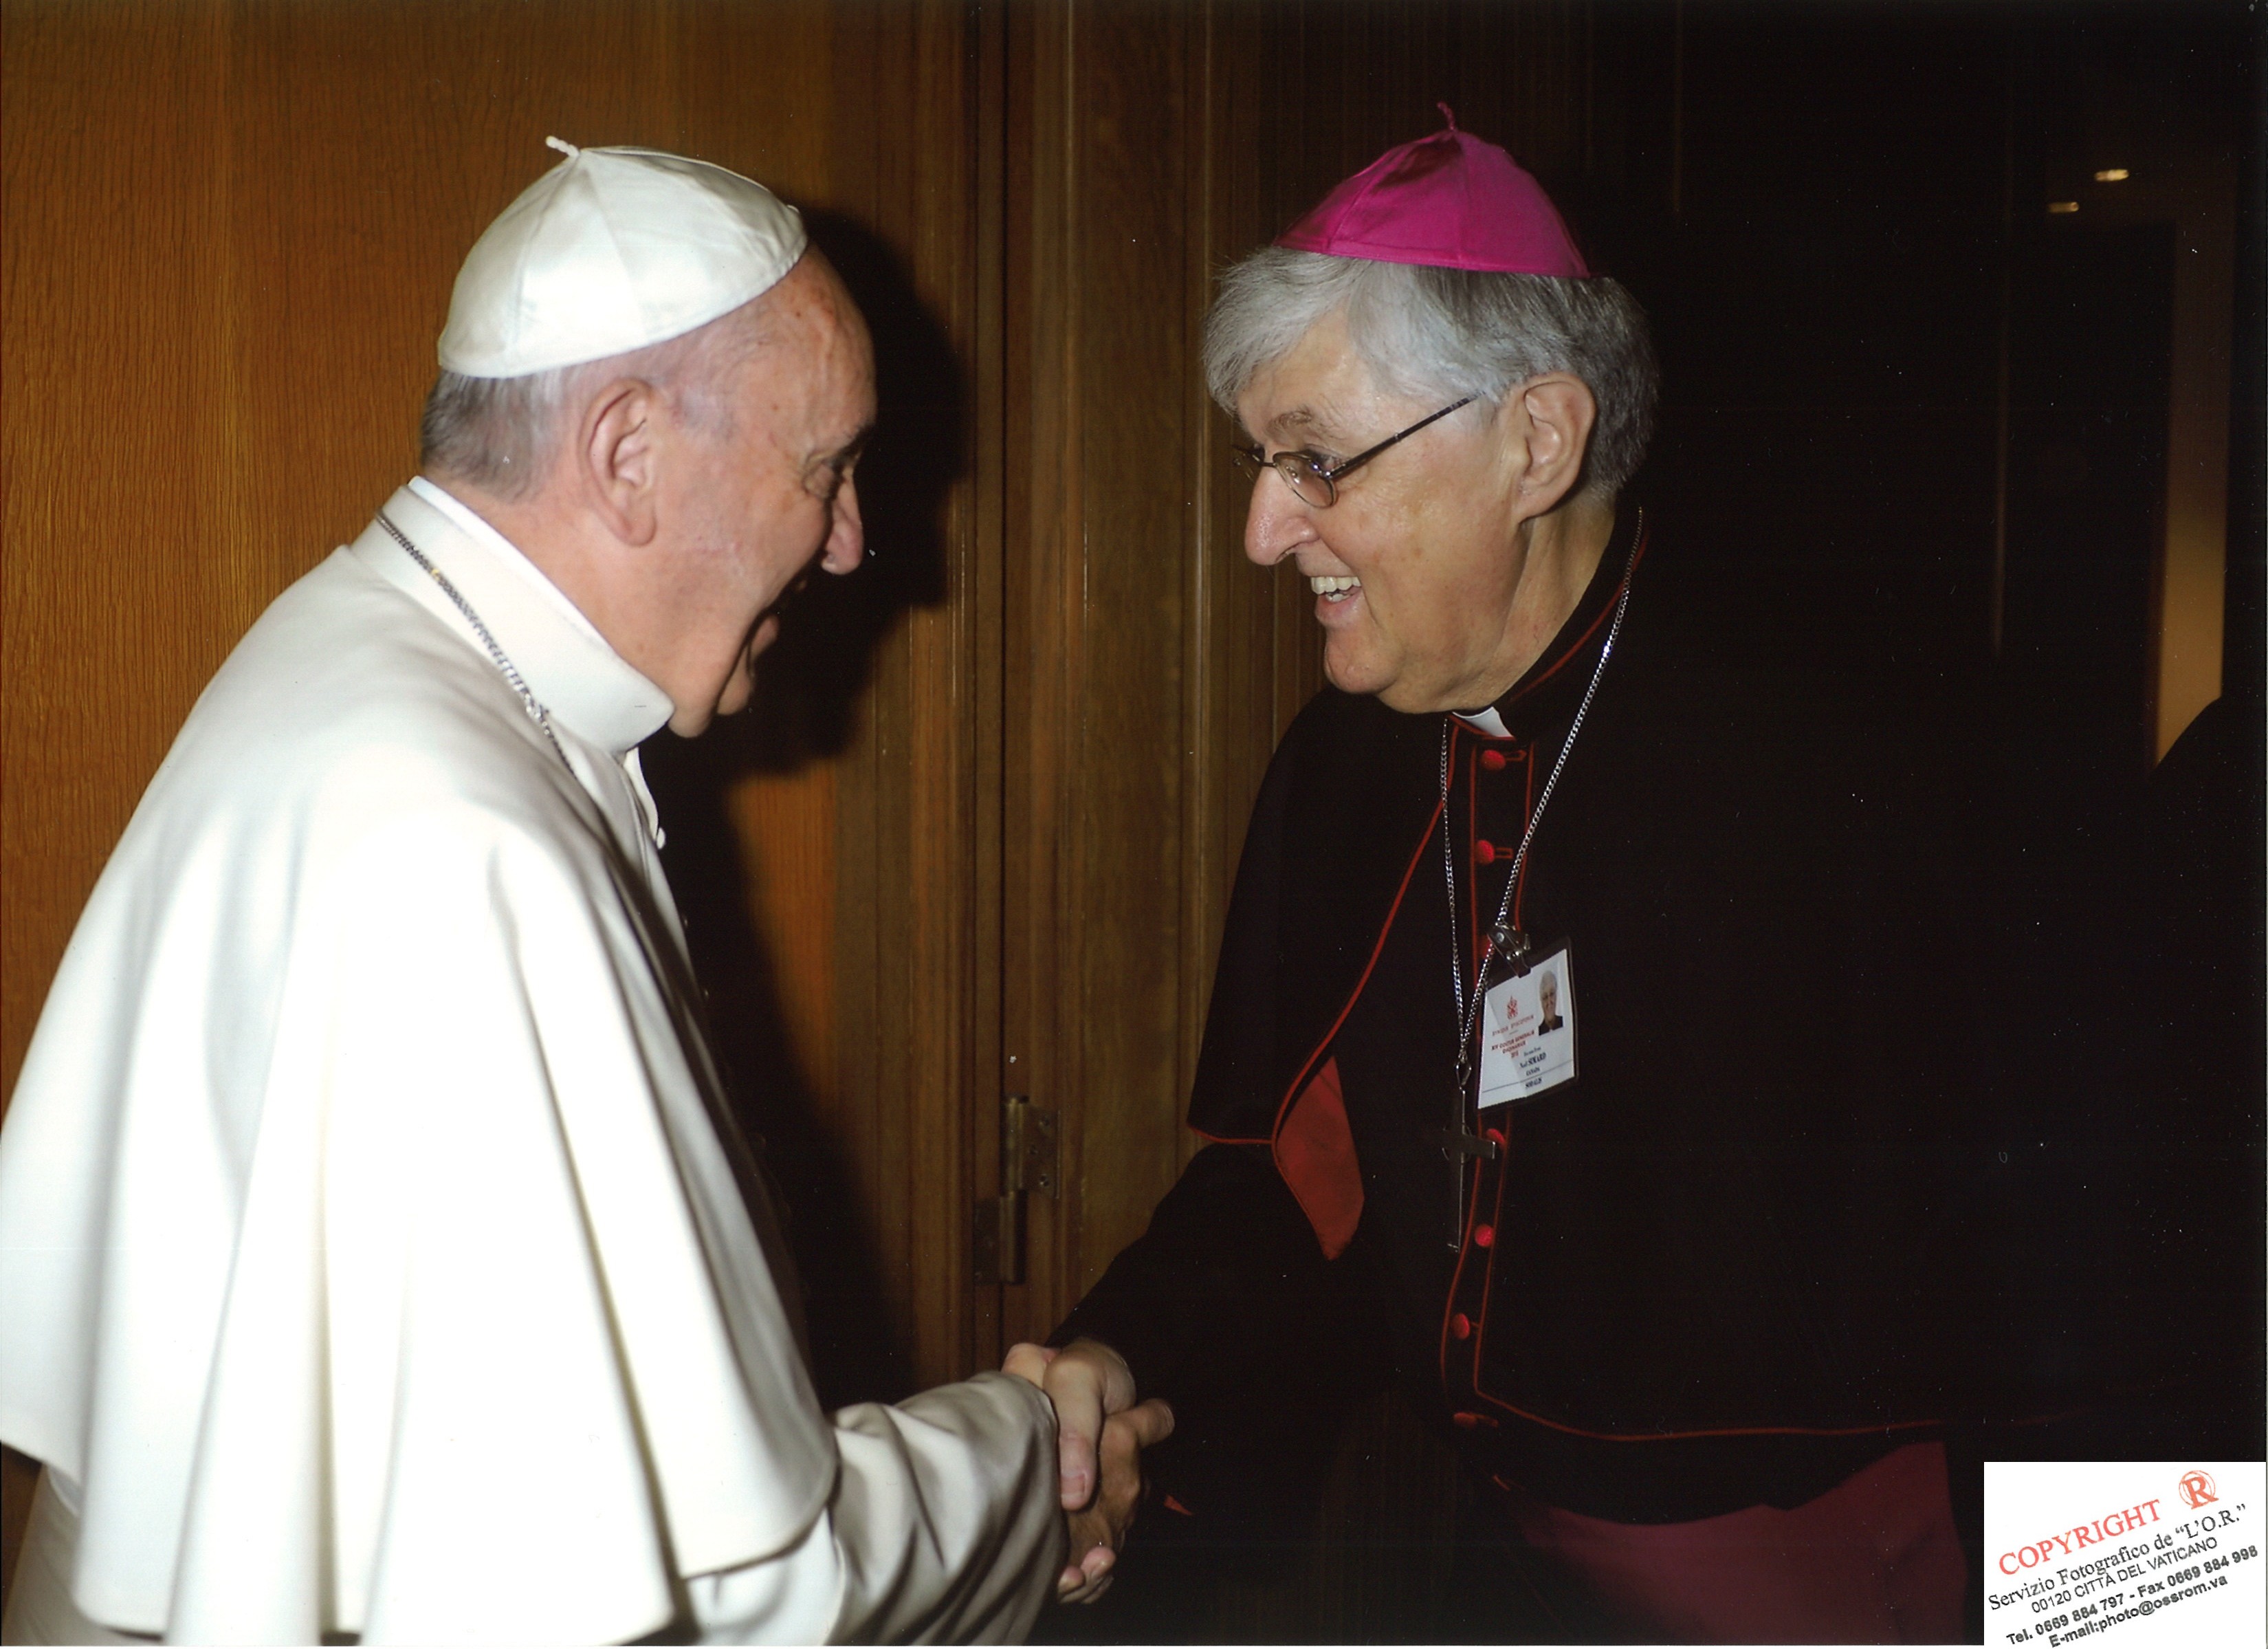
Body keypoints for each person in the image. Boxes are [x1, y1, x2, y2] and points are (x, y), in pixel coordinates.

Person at [0, 141, 1075, 1646]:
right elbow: (731, 1593)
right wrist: (1031, 1455)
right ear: (628, 452)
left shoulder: (344, 646)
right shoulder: (464, 844)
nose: (848, 541)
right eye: (823, 468)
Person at [1028, 113, 1970, 1640]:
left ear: (1537, 440)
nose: (1265, 531)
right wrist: (1111, 1360)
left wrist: (2149, 1610)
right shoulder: (1344, 764)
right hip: (1515, 1581)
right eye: (1263, 462)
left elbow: (2113, 1278)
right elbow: (1304, 1181)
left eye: (1314, 458)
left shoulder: (1852, 762)